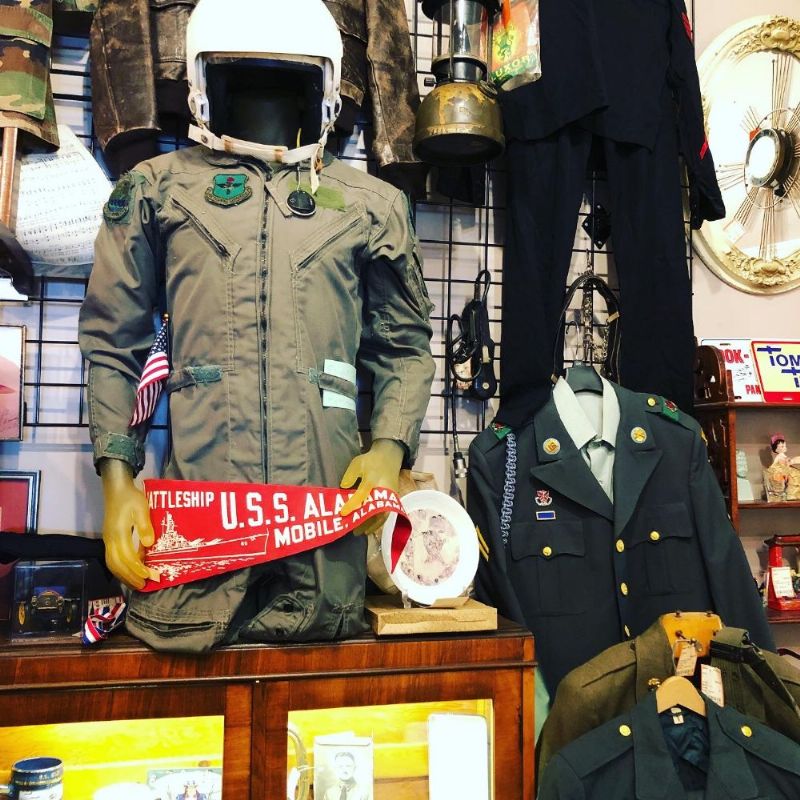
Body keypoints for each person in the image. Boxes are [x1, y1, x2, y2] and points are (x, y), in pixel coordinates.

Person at [78, 0, 434, 653]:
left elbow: (405, 348)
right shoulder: (157, 190)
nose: (263, 98)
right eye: (241, 79)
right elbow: (112, 343)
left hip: (324, 543)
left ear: (325, 90)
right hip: (196, 547)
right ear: (202, 85)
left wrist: (389, 450)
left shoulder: (370, 205)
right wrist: (117, 482)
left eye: (286, 80)